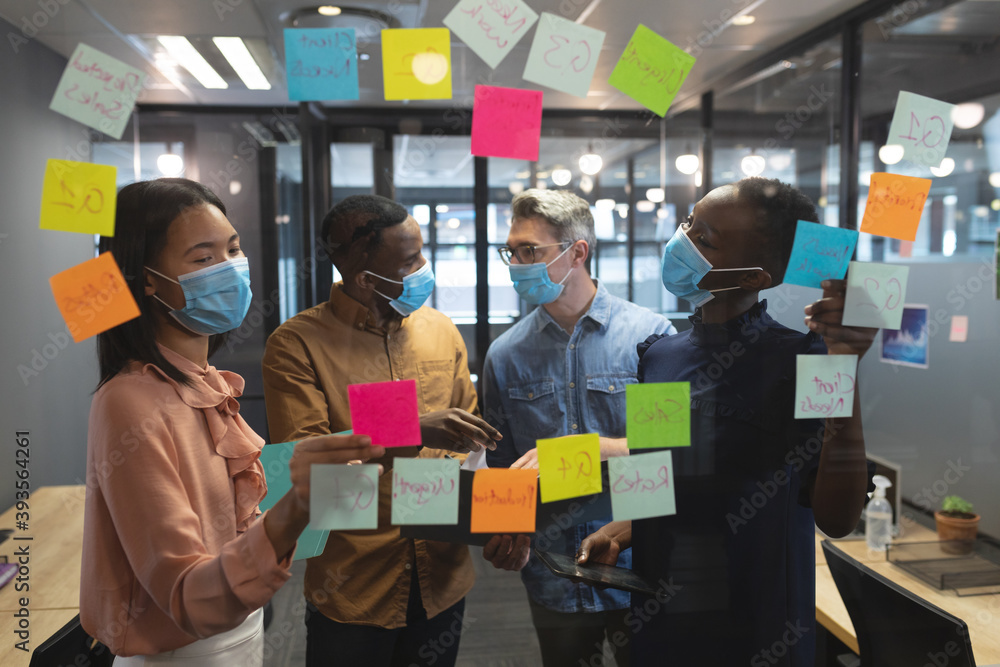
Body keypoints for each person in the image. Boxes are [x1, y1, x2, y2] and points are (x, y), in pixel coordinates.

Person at [81, 178, 384, 665]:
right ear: (149, 278)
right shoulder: (128, 402)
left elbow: (229, 530)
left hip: (240, 631)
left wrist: (305, 485)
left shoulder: (207, 381)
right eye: (203, 259)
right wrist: (297, 506)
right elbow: (186, 596)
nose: (230, 270)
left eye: (234, 249)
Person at [577, 177, 876, 666]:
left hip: (757, 624)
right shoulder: (660, 355)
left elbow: (837, 519)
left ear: (756, 276)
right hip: (660, 611)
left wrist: (844, 367)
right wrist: (622, 528)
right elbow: (656, 475)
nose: (681, 240)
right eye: (689, 223)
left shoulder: (806, 358)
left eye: (703, 238)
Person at [261, 194, 503, 667]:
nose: (425, 269)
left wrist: (496, 523)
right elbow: (306, 478)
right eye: (411, 261)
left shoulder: (441, 330)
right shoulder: (297, 346)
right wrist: (411, 433)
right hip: (354, 588)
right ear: (367, 279)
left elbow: (467, 453)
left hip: (444, 577)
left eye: (423, 254)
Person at [482, 189, 676, 667]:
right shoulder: (505, 355)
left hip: (639, 564)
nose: (517, 263)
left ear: (578, 252)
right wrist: (502, 534)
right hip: (554, 570)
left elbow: (671, 452)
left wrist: (594, 450)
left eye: (531, 251)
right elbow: (503, 468)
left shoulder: (652, 338)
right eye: (512, 251)